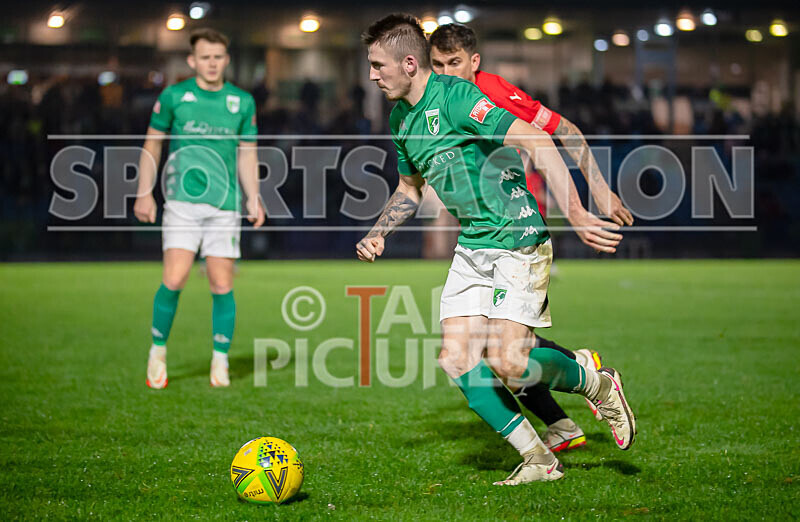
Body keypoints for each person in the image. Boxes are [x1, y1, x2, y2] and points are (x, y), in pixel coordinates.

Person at [357, 14, 636, 485]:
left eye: (377, 64)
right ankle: (540, 460)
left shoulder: (459, 96)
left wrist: (577, 211)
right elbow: (409, 186)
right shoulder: (401, 118)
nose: (371, 74)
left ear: (408, 62)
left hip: (516, 236)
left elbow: (537, 137)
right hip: (474, 244)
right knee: (458, 359)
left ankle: (597, 382)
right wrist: (380, 229)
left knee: (509, 362)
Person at [428, 23, 635, 452]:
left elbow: (565, 131)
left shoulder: (495, 92)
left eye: (454, 64)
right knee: (484, 352)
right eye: (438, 65)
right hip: (481, 236)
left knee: (501, 354)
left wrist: (597, 191)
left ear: (474, 62)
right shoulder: (435, 99)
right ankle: (562, 423)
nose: (446, 73)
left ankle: (581, 374)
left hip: (516, 229)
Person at [134, 28, 265, 389]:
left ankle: (219, 361)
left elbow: (247, 153)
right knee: (174, 278)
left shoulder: (242, 102)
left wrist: (253, 195)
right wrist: (144, 191)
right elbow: (153, 144)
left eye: (218, 57)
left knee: (221, 284)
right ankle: (157, 351)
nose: (212, 63)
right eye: (205, 57)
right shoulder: (175, 96)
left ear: (226, 59)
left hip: (224, 206)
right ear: (192, 61)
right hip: (181, 202)